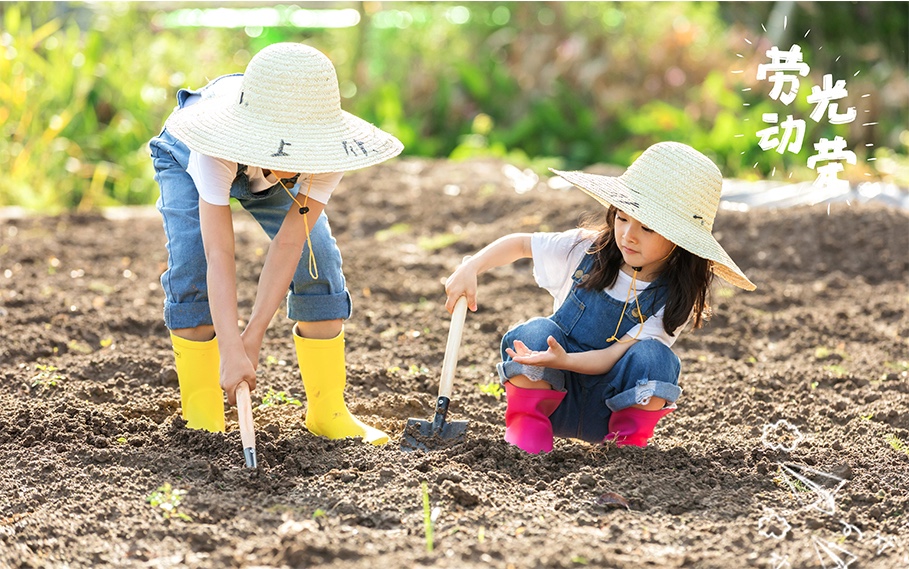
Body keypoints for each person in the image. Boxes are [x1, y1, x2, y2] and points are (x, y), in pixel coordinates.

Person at [148, 42, 402, 445]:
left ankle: (327, 409)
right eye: (295, 148)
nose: (306, 156)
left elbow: (290, 244)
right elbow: (220, 254)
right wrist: (230, 349)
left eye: (310, 149)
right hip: (186, 157)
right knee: (192, 264)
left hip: (260, 169)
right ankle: (202, 410)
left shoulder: (324, 154)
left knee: (318, 254)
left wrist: (253, 336)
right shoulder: (213, 144)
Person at [445, 142, 756, 453]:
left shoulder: (672, 297)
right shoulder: (583, 250)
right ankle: (527, 438)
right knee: (534, 334)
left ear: (680, 241)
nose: (628, 235)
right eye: (622, 218)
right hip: (555, 391)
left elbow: (610, 358)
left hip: (608, 407)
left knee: (655, 359)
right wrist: (472, 266)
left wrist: (566, 359)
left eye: (647, 228)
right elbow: (521, 244)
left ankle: (626, 450)